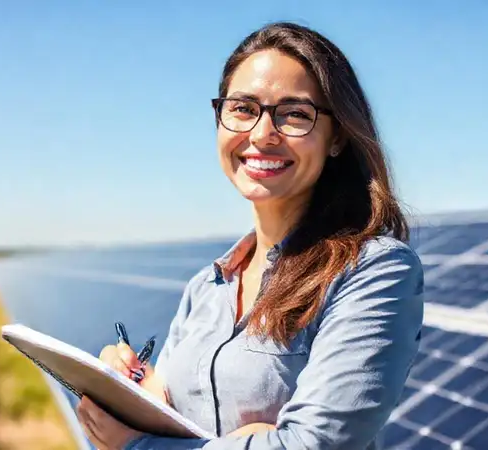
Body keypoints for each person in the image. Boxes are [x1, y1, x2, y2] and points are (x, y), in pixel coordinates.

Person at [76, 21, 424, 450]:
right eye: (242, 108)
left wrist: (136, 446)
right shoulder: (205, 288)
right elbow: (164, 418)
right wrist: (131, 397)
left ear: (336, 138)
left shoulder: (373, 270)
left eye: (295, 114)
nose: (262, 134)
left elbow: (312, 445)